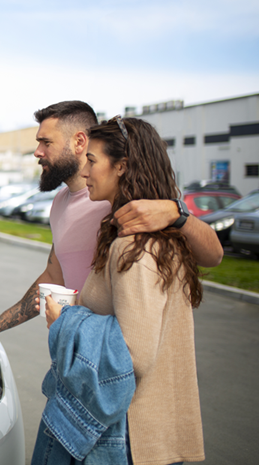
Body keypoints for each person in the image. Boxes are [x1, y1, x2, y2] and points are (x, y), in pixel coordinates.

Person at [0, 101, 222, 335]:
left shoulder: (122, 203)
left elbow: (213, 257)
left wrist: (176, 213)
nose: (37, 152)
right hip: (77, 353)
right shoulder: (60, 202)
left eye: (46, 142)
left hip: (114, 359)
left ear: (79, 142)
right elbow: (54, 274)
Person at [43, 116, 204, 464]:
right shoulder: (149, 235)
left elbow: (133, 355)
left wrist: (66, 322)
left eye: (92, 161)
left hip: (129, 434)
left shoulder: (133, 247)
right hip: (144, 429)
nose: (86, 172)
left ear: (122, 167)